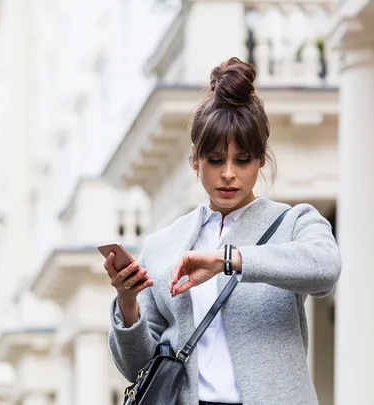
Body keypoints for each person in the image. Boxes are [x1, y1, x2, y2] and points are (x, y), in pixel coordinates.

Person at [103, 57, 341, 405]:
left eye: (242, 160)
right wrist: (127, 303)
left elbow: (325, 269)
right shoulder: (162, 246)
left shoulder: (293, 223)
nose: (228, 173)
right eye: (215, 160)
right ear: (195, 160)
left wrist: (229, 260)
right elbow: (139, 366)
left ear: (261, 160)